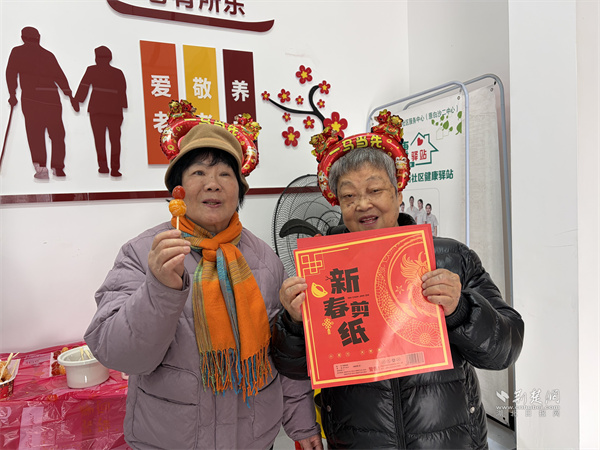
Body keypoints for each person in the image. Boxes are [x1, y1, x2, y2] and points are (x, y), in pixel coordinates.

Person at [271, 110, 524, 449]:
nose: (363, 204)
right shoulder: (322, 273)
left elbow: (505, 349)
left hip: (449, 440)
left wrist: (462, 309)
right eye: (349, 196)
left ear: (398, 192)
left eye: (374, 189)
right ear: (338, 204)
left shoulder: (450, 258)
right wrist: (293, 323)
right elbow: (291, 367)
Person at [85, 105, 322, 449]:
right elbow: (120, 355)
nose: (213, 184)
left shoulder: (265, 261)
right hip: (171, 440)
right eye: (198, 172)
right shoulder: (144, 253)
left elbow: (283, 353)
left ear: (239, 190)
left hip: (253, 440)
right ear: (178, 189)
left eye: (226, 174)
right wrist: (159, 289)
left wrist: (302, 424)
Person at [5, 26, 78, 179]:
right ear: (38, 38)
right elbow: (59, 76)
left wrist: (12, 94)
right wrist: (69, 95)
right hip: (52, 98)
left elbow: (11, 73)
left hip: (31, 98)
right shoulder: (48, 55)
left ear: (23, 38)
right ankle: (58, 167)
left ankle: (41, 168)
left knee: (35, 133)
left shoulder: (17, 52)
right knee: (57, 134)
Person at [74, 46, 127, 177]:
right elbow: (122, 90)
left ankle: (103, 167)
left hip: (97, 110)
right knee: (115, 141)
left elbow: (84, 86)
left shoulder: (92, 70)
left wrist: (77, 101)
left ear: (96, 58)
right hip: (114, 111)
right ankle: (115, 169)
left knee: (100, 140)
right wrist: (122, 105)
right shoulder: (118, 72)